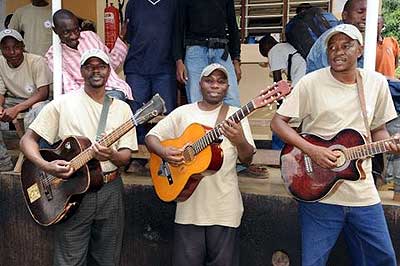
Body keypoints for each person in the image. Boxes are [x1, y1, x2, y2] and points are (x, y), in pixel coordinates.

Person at [271, 24, 398, 265]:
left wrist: (391, 144)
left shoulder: (376, 83)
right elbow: (278, 123)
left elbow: (378, 130)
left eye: (346, 45)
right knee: (313, 262)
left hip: (362, 193)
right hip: (318, 191)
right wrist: (312, 150)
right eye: (332, 46)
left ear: (359, 50)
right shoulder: (310, 83)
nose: (337, 51)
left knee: (383, 258)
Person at [20, 49, 137, 265]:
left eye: (101, 66)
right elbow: (27, 140)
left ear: (109, 71)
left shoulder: (122, 109)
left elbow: (126, 157)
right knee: (69, 260)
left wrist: (111, 154)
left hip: (110, 190)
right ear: (81, 71)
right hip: (69, 190)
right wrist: (47, 166)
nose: (96, 70)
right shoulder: (62, 104)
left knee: (107, 258)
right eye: (90, 66)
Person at [145, 63, 255, 266]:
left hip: (224, 209)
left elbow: (247, 159)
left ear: (227, 87)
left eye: (221, 81)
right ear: (200, 84)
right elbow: (151, 137)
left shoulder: (235, 115)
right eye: (209, 80)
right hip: (188, 208)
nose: (215, 85)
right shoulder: (183, 113)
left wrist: (239, 140)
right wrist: (164, 153)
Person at [124, 0, 177, 171]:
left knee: (167, 116)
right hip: (136, 68)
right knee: (137, 115)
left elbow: (178, 33)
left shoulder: (173, 3)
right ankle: (138, 157)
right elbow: (129, 35)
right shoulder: (133, 4)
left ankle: (164, 159)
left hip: (165, 68)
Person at [46, 9, 133, 101]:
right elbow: (69, 87)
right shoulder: (53, 55)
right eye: (66, 32)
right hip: (85, 98)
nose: (74, 36)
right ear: (55, 30)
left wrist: (121, 39)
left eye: (76, 30)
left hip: (114, 89)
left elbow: (110, 65)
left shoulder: (91, 37)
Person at [174, 0, 242, 107]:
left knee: (232, 99)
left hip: (221, 50)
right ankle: (200, 125)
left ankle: (231, 124)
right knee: (196, 100)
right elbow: (178, 28)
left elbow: (233, 25)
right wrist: (178, 60)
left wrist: (236, 59)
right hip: (195, 51)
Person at [0, 29, 50, 171]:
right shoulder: (1, 63)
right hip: (13, 99)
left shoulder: (36, 61)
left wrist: (16, 109)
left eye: (16, 47)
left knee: (37, 111)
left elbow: (43, 93)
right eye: (6, 48)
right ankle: (3, 162)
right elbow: (0, 92)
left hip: (37, 100)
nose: (12, 52)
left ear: (22, 46)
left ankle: (34, 160)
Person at [258, 34, 305, 150]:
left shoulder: (274, 50)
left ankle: (278, 151)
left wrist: (280, 108)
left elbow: (277, 82)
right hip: (306, 77)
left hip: (301, 78)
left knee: (279, 122)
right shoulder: (286, 47)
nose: (268, 58)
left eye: (265, 54)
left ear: (267, 47)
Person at [306, 0, 366, 73]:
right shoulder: (333, 37)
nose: (365, 17)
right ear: (344, 15)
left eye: (369, 13)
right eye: (360, 12)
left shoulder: (363, 38)